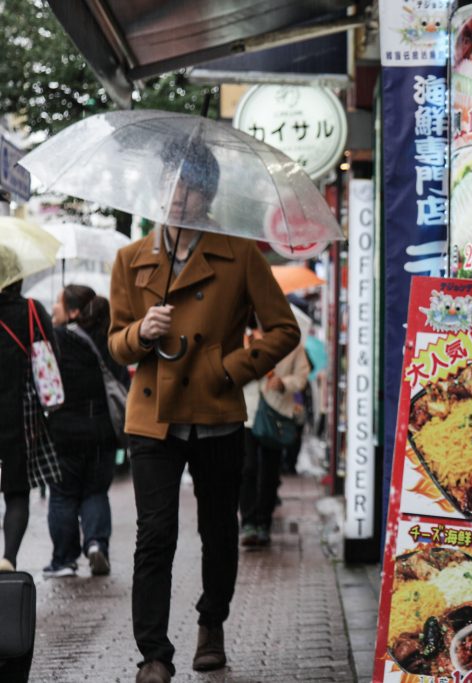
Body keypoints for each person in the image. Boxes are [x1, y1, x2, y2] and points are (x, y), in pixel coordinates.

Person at [107, 143, 299, 683]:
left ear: (207, 193)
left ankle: (211, 623)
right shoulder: (130, 259)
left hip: (216, 415)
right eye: (171, 182)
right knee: (155, 534)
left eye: (190, 185)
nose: (179, 195)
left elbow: (284, 328)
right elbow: (117, 343)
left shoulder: (238, 254)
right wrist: (138, 333)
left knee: (218, 532)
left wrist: (227, 367)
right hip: (153, 419)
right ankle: (153, 654)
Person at [44, 285, 129, 578]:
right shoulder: (110, 340)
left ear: (74, 311)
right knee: (96, 492)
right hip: (103, 430)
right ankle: (96, 545)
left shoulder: (56, 340)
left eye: (58, 302)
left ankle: (64, 560)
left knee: (63, 496)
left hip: (64, 431)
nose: (53, 307)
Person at [0, 272, 61, 573]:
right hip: (20, 414)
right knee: (16, 490)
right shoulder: (32, 310)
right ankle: (8, 557)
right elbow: (52, 355)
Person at [239, 332, 310, 546]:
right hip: (247, 413)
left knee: (270, 471)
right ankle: (249, 522)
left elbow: (301, 378)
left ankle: (264, 523)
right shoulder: (243, 338)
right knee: (247, 468)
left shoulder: (291, 342)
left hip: (276, 412)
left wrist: (283, 383)